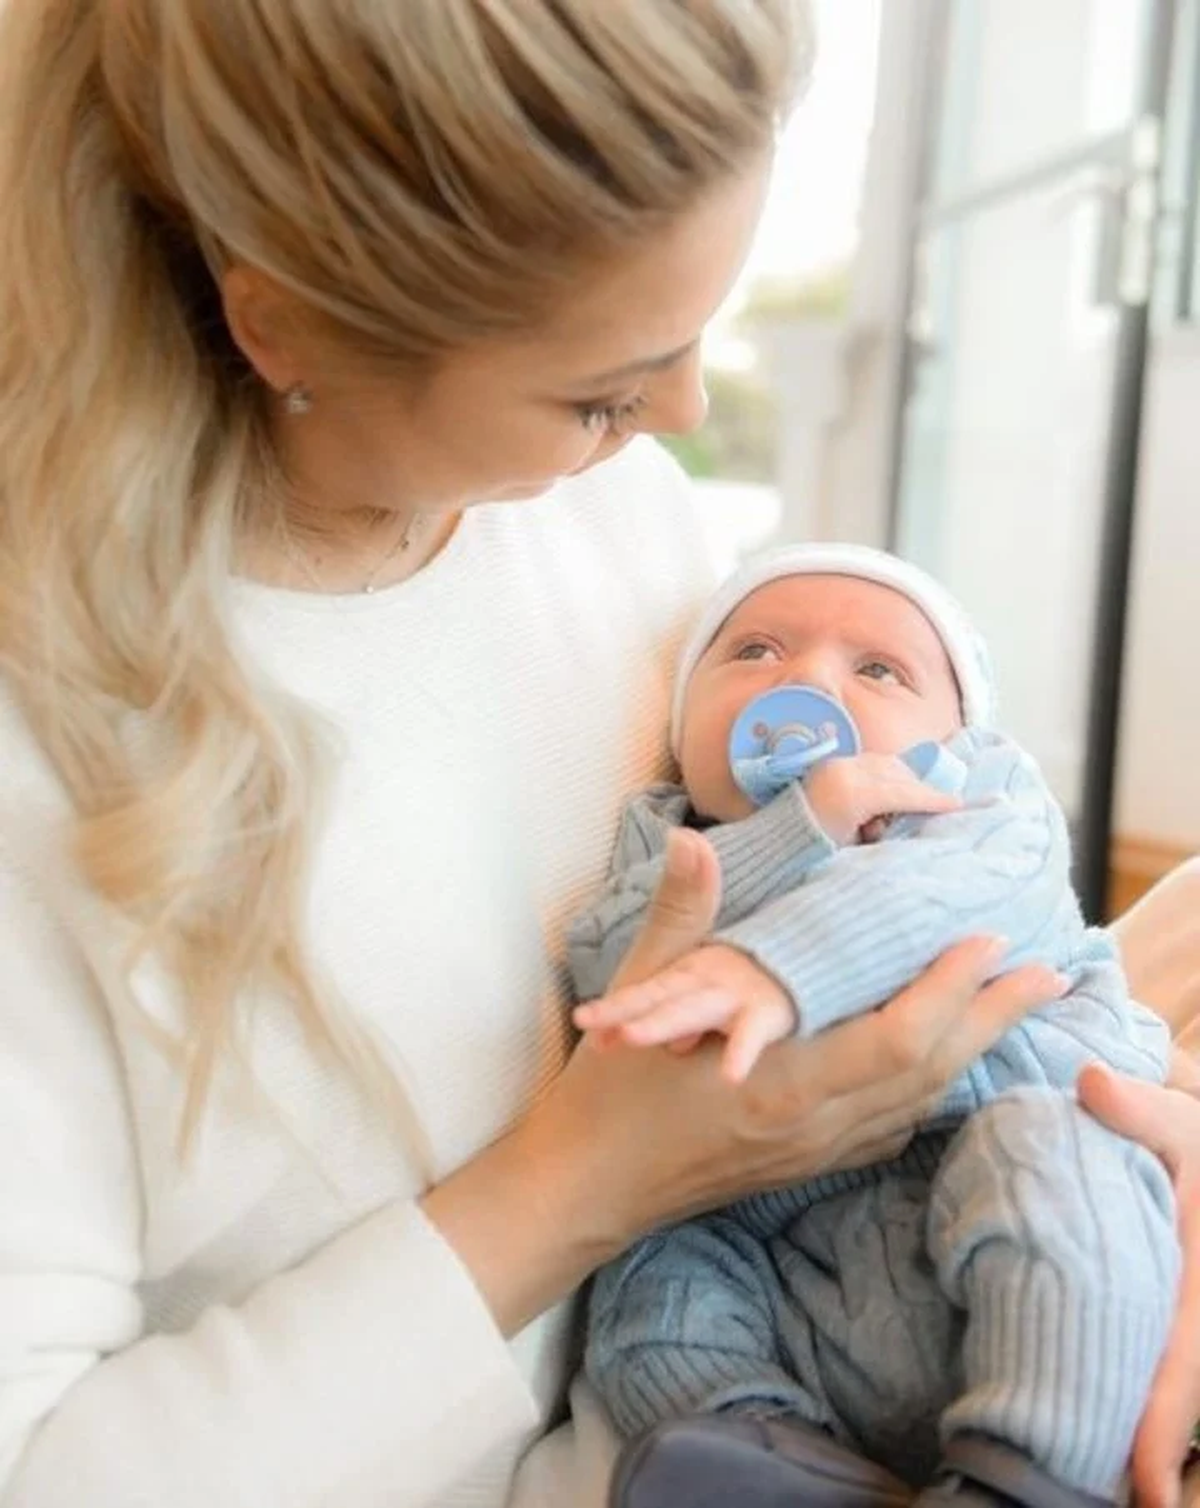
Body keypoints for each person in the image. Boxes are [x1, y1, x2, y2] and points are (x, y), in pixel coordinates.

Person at [0, 5, 1194, 1508]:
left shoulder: (604, 520)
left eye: (695, 342)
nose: (684, 419)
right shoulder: (43, 758)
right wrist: (587, 1183)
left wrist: (1136, 1158)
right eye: (604, 387)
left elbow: (939, 899)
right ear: (282, 321)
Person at [570, 545, 1179, 1507]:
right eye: (757, 652)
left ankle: (1036, 1467)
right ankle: (762, 1449)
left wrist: (775, 962)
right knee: (648, 1273)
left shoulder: (986, 812)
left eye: (879, 670)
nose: (808, 681)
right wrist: (792, 831)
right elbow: (615, 970)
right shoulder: (668, 846)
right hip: (784, 1240)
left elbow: (952, 905)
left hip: (996, 1148)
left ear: (959, 733)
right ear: (683, 729)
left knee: (1054, 1157)